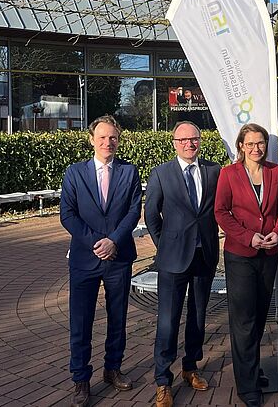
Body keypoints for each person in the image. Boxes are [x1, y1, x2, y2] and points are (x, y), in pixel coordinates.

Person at [60, 115, 142, 407]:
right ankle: (81, 379)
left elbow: (133, 211)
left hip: (118, 257)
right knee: (81, 321)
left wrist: (113, 241)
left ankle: (113, 368)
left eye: (113, 138)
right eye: (103, 137)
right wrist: (97, 242)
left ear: (118, 140)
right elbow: (67, 214)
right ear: (92, 140)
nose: (108, 142)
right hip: (85, 258)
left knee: (117, 318)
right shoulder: (74, 173)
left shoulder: (129, 172)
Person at [144, 121, 221, 407]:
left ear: (200, 140)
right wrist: (164, 245)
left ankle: (191, 367)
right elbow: (151, 215)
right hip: (172, 259)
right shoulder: (161, 173)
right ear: (175, 143)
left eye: (194, 139)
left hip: (204, 256)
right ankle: (163, 380)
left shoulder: (213, 171)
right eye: (183, 140)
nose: (190, 144)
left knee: (198, 316)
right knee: (168, 319)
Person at [214, 123, 278, 407]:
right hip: (241, 255)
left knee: (259, 316)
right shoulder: (229, 174)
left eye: (260, 143)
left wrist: (277, 233)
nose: (256, 148)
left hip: (269, 253)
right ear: (241, 146)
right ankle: (247, 387)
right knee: (244, 319)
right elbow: (221, 212)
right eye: (250, 144)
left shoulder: (275, 171)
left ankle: (251, 368)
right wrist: (249, 237)